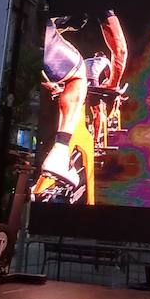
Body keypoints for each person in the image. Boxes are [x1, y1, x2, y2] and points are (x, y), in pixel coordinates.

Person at [39, 11, 127, 188]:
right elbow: (120, 51)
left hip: (36, 44)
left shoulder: (90, 60)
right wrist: (112, 85)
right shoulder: (104, 61)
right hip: (46, 35)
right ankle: (62, 150)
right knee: (80, 82)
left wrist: (48, 83)